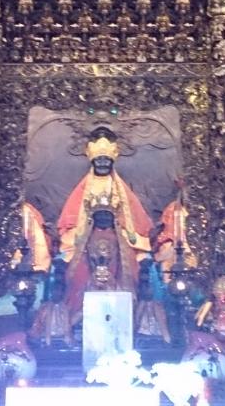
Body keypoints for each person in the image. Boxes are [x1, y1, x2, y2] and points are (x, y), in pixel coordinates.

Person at [56, 127, 154, 316]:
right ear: (92, 161)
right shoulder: (84, 188)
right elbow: (73, 218)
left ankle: (123, 313)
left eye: (106, 160)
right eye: (98, 160)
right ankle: (79, 314)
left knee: (131, 266)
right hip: (87, 235)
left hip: (116, 235)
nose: (102, 163)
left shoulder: (120, 188)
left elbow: (131, 218)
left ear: (112, 161)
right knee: (78, 272)